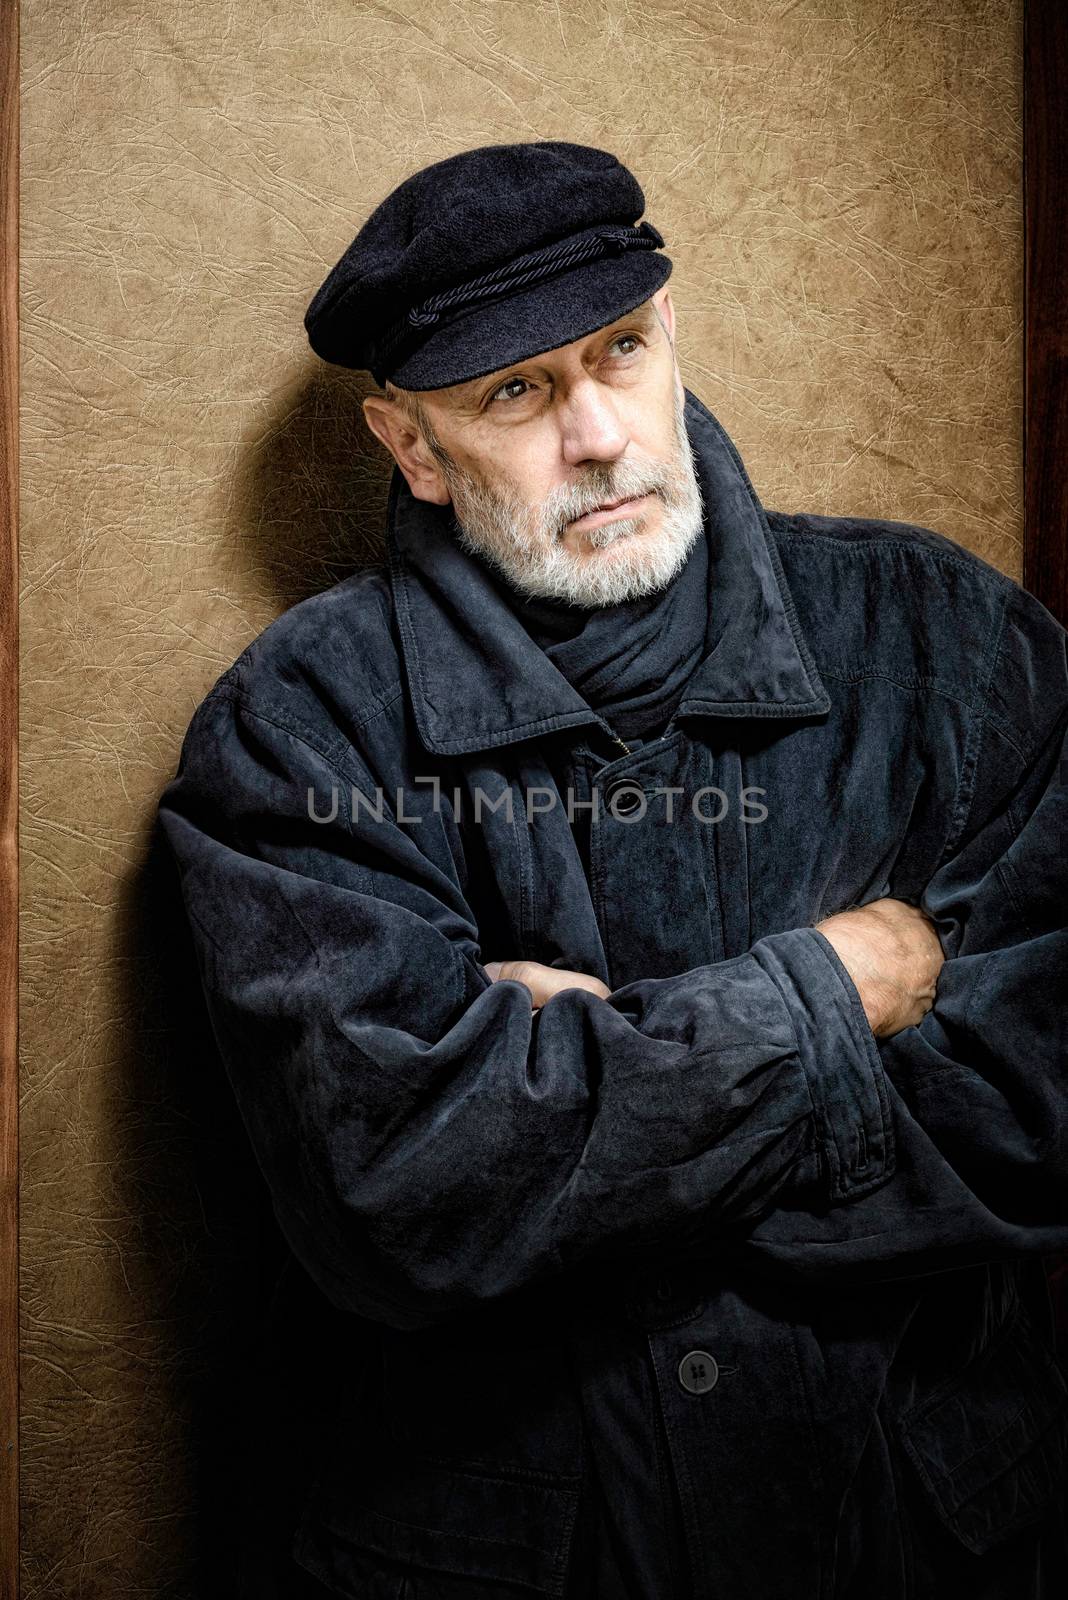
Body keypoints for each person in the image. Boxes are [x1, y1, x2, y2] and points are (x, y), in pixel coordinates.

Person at [157, 141, 1068, 1599]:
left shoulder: (944, 639)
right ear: (413, 450)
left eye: (621, 351)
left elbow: (1038, 1115)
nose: (598, 432)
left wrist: (579, 1096)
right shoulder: (300, 726)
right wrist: (834, 992)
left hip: (925, 1537)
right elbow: (405, 1200)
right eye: (513, 391)